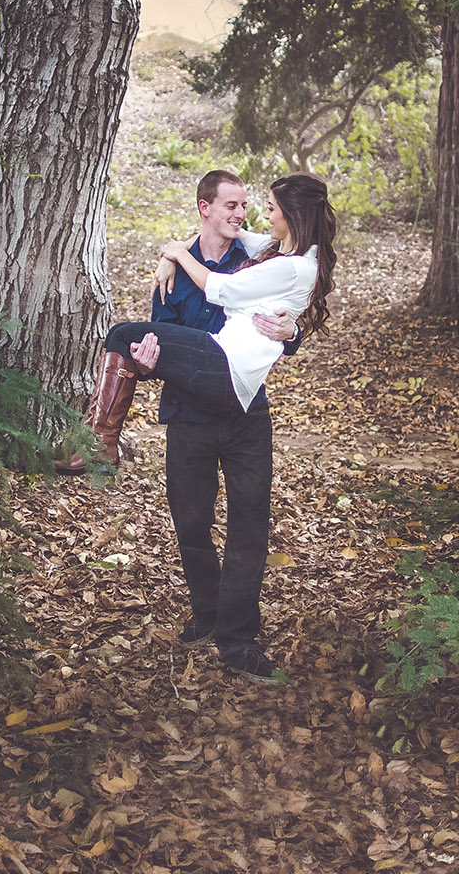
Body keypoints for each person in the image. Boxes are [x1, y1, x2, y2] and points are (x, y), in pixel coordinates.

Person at [72, 173, 339, 684]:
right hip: (189, 413)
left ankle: (238, 639)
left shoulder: (258, 258)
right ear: (206, 209)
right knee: (191, 524)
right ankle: (208, 612)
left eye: (251, 206)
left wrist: (294, 333)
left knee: (249, 529)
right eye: (234, 206)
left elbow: (281, 304)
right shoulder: (175, 276)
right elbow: (154, 348)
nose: (245, 216)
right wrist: (147, 357)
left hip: (243, 411)